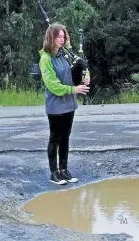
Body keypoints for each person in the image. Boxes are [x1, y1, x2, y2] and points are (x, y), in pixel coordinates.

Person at [39, 23, 90, 185]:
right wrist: (74, 90)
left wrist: (85, 76)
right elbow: (53, 85)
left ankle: (64, 170)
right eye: (58, 37)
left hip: (69, 104)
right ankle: (54, 173)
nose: (62, 40)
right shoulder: (46, 59)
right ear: (51, 38)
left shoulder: (65, 55)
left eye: (63, 37)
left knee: (65, 138)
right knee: (55, 138)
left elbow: (78, 68)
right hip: (55, 105)